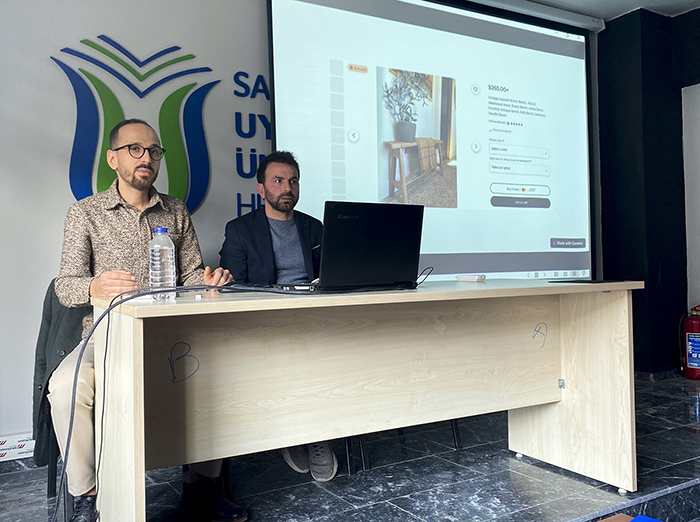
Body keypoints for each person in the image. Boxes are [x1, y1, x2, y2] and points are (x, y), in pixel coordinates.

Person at [48, 119, 247, 522]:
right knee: (66, 386)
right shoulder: (85, 213)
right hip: (106, 335)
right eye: (135, 149)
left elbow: (190, 274)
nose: (147, 158)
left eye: (154, 151)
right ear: (112, 158)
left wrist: (209, 280)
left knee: (221, 372)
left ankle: (200, 487)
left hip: (170, 332)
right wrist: (94, 285)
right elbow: (64, 286)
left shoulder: (175, 210)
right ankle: (89, 497)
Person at [219, 150, 338, 482]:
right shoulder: (240, 230)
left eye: (293, 181)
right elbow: (233, 286)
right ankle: (298, 433)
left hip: (314, 314)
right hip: (267, 317)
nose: (287, 187)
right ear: (261, 189)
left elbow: (332, 275)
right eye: (278, 181)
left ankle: (313, 433)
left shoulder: (315, 228)